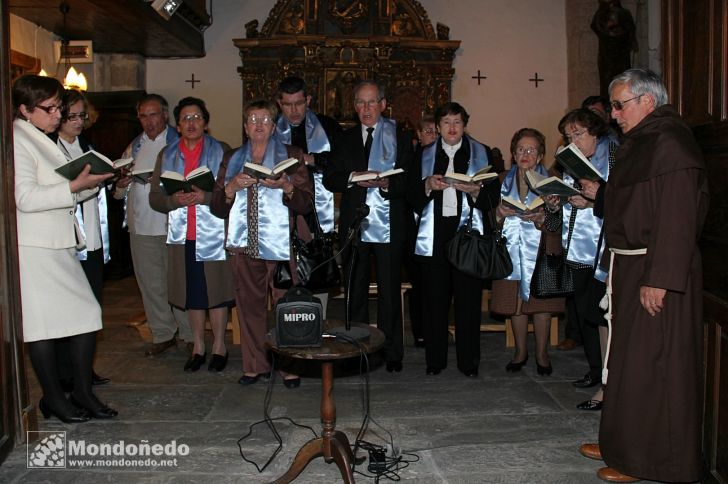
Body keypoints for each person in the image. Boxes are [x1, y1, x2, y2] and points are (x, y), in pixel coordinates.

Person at [580, 69, 708, 483]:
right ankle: (622, 441)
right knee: (626, 362)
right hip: (631, 263)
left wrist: (659, 278)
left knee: (654, 366)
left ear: (647, 101)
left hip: (655, 268)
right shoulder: (644, 141)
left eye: (620, 104)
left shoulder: (669, 143)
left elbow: (677, 216)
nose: (613, 113)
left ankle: (649, 459)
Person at [13, 74, 117, 421]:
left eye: (59, 107)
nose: (58, 115)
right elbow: (25, 198)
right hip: (36, 247)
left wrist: (91, 184)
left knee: (86, 315)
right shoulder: (18, 139)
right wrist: (75, 185)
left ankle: (82, 393)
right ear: (25, 110)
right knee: (42, 328)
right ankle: (55, 399)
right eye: (50, 108)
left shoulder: (44, 138)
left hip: (58, 243)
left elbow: (66, 190)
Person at [210, 99, 312, 388]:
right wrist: (230, 188)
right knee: (249, 307)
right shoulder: (232, 159)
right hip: (244, 245)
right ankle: (255, 365)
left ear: (273, 126)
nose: (258, 125)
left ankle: (289, 365)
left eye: (265, 120)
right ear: (244, 127)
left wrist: (287, 186)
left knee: (286, 308)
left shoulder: (291, 156)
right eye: (252, 120)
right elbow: (217, 207)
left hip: (282, 247)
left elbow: (306, 204)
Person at [324, 80, 414, 373]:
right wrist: (353, 177)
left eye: (372, 102)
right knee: (355, 289)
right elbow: (330, 178)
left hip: (391, 224)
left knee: (389, 291)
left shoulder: (400, 137)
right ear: (354, 106)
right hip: (355, 224)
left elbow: (410, 181)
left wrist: (388, 183)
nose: (366, 108)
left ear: (383, 104)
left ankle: (391, 352)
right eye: (360, 103)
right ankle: (357, 350)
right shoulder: (345, 138)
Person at [407, 102, 500, 376]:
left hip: (468, 236)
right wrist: (426, 185)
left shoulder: (482, 153)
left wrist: (474, 192)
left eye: (457, 122)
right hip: (434, 235)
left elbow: (492, 197)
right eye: (446, 122)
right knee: (434, 301)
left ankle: (468, 362)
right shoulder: (423, 154)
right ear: (437, 126)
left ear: (465, 125)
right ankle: (435, 361)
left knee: (469, 302)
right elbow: (409, 197)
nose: (451, 127)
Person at [149, 97, 235, 373]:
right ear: (177, 124)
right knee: (193, 293)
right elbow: (154, 198)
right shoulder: (167, 155)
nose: (191, 123)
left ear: (206, 123)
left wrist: (206, 196)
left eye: (196, 117)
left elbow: (232, 193)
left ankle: (220, 345)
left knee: (217, 292)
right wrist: (175, 200)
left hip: (213, 231)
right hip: (182, 234)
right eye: (185, 118)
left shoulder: (221, 151)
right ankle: (198, 346)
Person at [114, 94, 191, 356]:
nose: (149, 121)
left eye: (154, 114)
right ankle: (162, 332)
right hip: (141, 225)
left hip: (173, 223)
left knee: (178, 282)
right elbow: (117, 193)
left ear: (165, 115)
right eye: (143, 116)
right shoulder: (133, 147)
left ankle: (189, 333)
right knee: (151, 284)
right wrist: (121, 185)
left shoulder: (179, 143)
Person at [557, 108, 617, 411]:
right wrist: (568, 198)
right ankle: (597, 370)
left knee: (602, 315)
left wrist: (596, 197)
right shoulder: (574, 162)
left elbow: (624, 197)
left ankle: (609, 384)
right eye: (569, 136)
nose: (573, 141)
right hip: (579, 246)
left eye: (578, 134)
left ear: (596, 131)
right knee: (588, 315)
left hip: (608, 249)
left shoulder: (616, 156)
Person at [50, 89, 111, 389]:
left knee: (92, 306)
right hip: (68, 239)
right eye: (71, 116)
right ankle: (65, 372)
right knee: (67, 309)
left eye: (81, 116)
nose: (77, 122)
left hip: (93, 236)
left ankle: (84, 368)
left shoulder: (88, 145)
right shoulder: (51, 148)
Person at [490, 128, 564, 376]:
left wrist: (544, 218)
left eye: (531, 150)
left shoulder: (553, 180)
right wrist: (498, 215)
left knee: (541, 306)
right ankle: (520, 351)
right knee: (516, 304)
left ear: (541, 155)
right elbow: (487, 220)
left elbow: (561, 223)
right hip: (509, 252)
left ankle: (542, 354)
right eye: (520, 149)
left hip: (543, 251)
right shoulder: (501, 180)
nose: (525, 154)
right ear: (513, 153)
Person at [275, 76, 342, 315]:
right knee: (283, 266)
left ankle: (317, 319)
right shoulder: (270, 127)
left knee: (316, 261)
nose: (294, 111)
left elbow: (341, 163)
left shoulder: (327, 126)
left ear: (308, 100)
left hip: (315, 207)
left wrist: (310, 159)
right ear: (279, 103)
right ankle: (287, 319)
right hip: (280, 206)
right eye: (287, 104)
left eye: (299, 103)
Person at [405, 115, 438, 348]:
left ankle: (437, 328)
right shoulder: (412, 158)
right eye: (427, 131)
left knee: (437, 285)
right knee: (419, 284)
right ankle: (421, 331)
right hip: (414, 230)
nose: (432, 136)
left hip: (439, 229)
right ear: (418, 134)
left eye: (436, 131)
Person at [591, 0, 637, 98]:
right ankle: (607, 99)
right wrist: (608, 33)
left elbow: (631, 29)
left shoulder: (624, 12)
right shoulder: (603, 13)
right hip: (608, 50)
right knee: (607, 78)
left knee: (623, 76)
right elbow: (595, 26)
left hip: (622, 49)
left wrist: (630, 39)